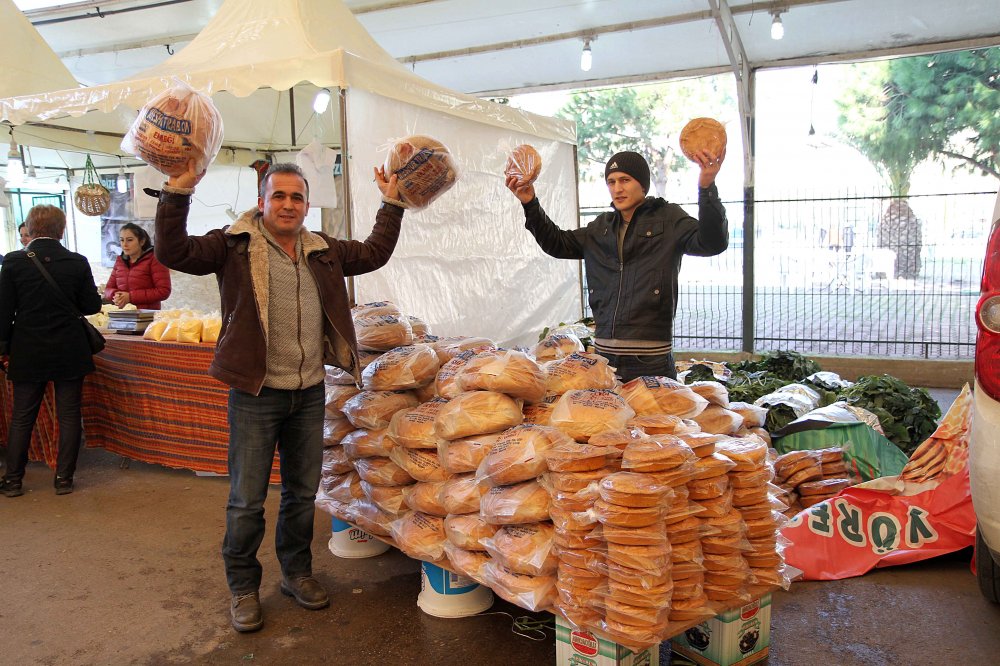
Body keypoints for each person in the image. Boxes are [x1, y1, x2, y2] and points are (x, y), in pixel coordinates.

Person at [154, 161, 405, 633]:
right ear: (262, 201)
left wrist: (391, 203)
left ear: (307, 205)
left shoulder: (323, 250)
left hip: (309, 391)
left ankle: (296, 573)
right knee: (247, 500)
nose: (288, 205)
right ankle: (244, 588)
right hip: (256, 393)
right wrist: (177, 193)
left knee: (300, 494)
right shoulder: (233, 245)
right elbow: (174, 250)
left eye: (296, 197)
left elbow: (374, 252)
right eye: (279, 196)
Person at [506, 148, 728, 382]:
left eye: (625, 180)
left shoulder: (668, 218)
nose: (617, 188)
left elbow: (712, 242)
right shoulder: (601, 227)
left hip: (651, 358)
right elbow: (557, 243)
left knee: (657, 420)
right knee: (607, 420)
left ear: (642, 185)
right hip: (605, 357)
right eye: (611, 182)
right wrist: (530, 203)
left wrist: (707, 187)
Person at [0, 205, 103, 498]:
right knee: (69, 414)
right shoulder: (77, 261)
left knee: (22, 415)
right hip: (70, 347)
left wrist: (2, 347)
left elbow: (4, 311)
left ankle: (14, 479)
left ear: (30, 230)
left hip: (28, 346)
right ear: (62, 229)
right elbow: (91, 306)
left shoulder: (14, 262)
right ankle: (64, 478)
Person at [103, 222, 172, 309]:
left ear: (142, 241)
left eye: (130, 240)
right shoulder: (120, 261)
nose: (124, 244)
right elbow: (108, 289)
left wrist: (130, 297)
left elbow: (163, 291)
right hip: (123, 315)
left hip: (147, 317)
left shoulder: (155, 259)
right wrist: (115, 295)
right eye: (122, 240)